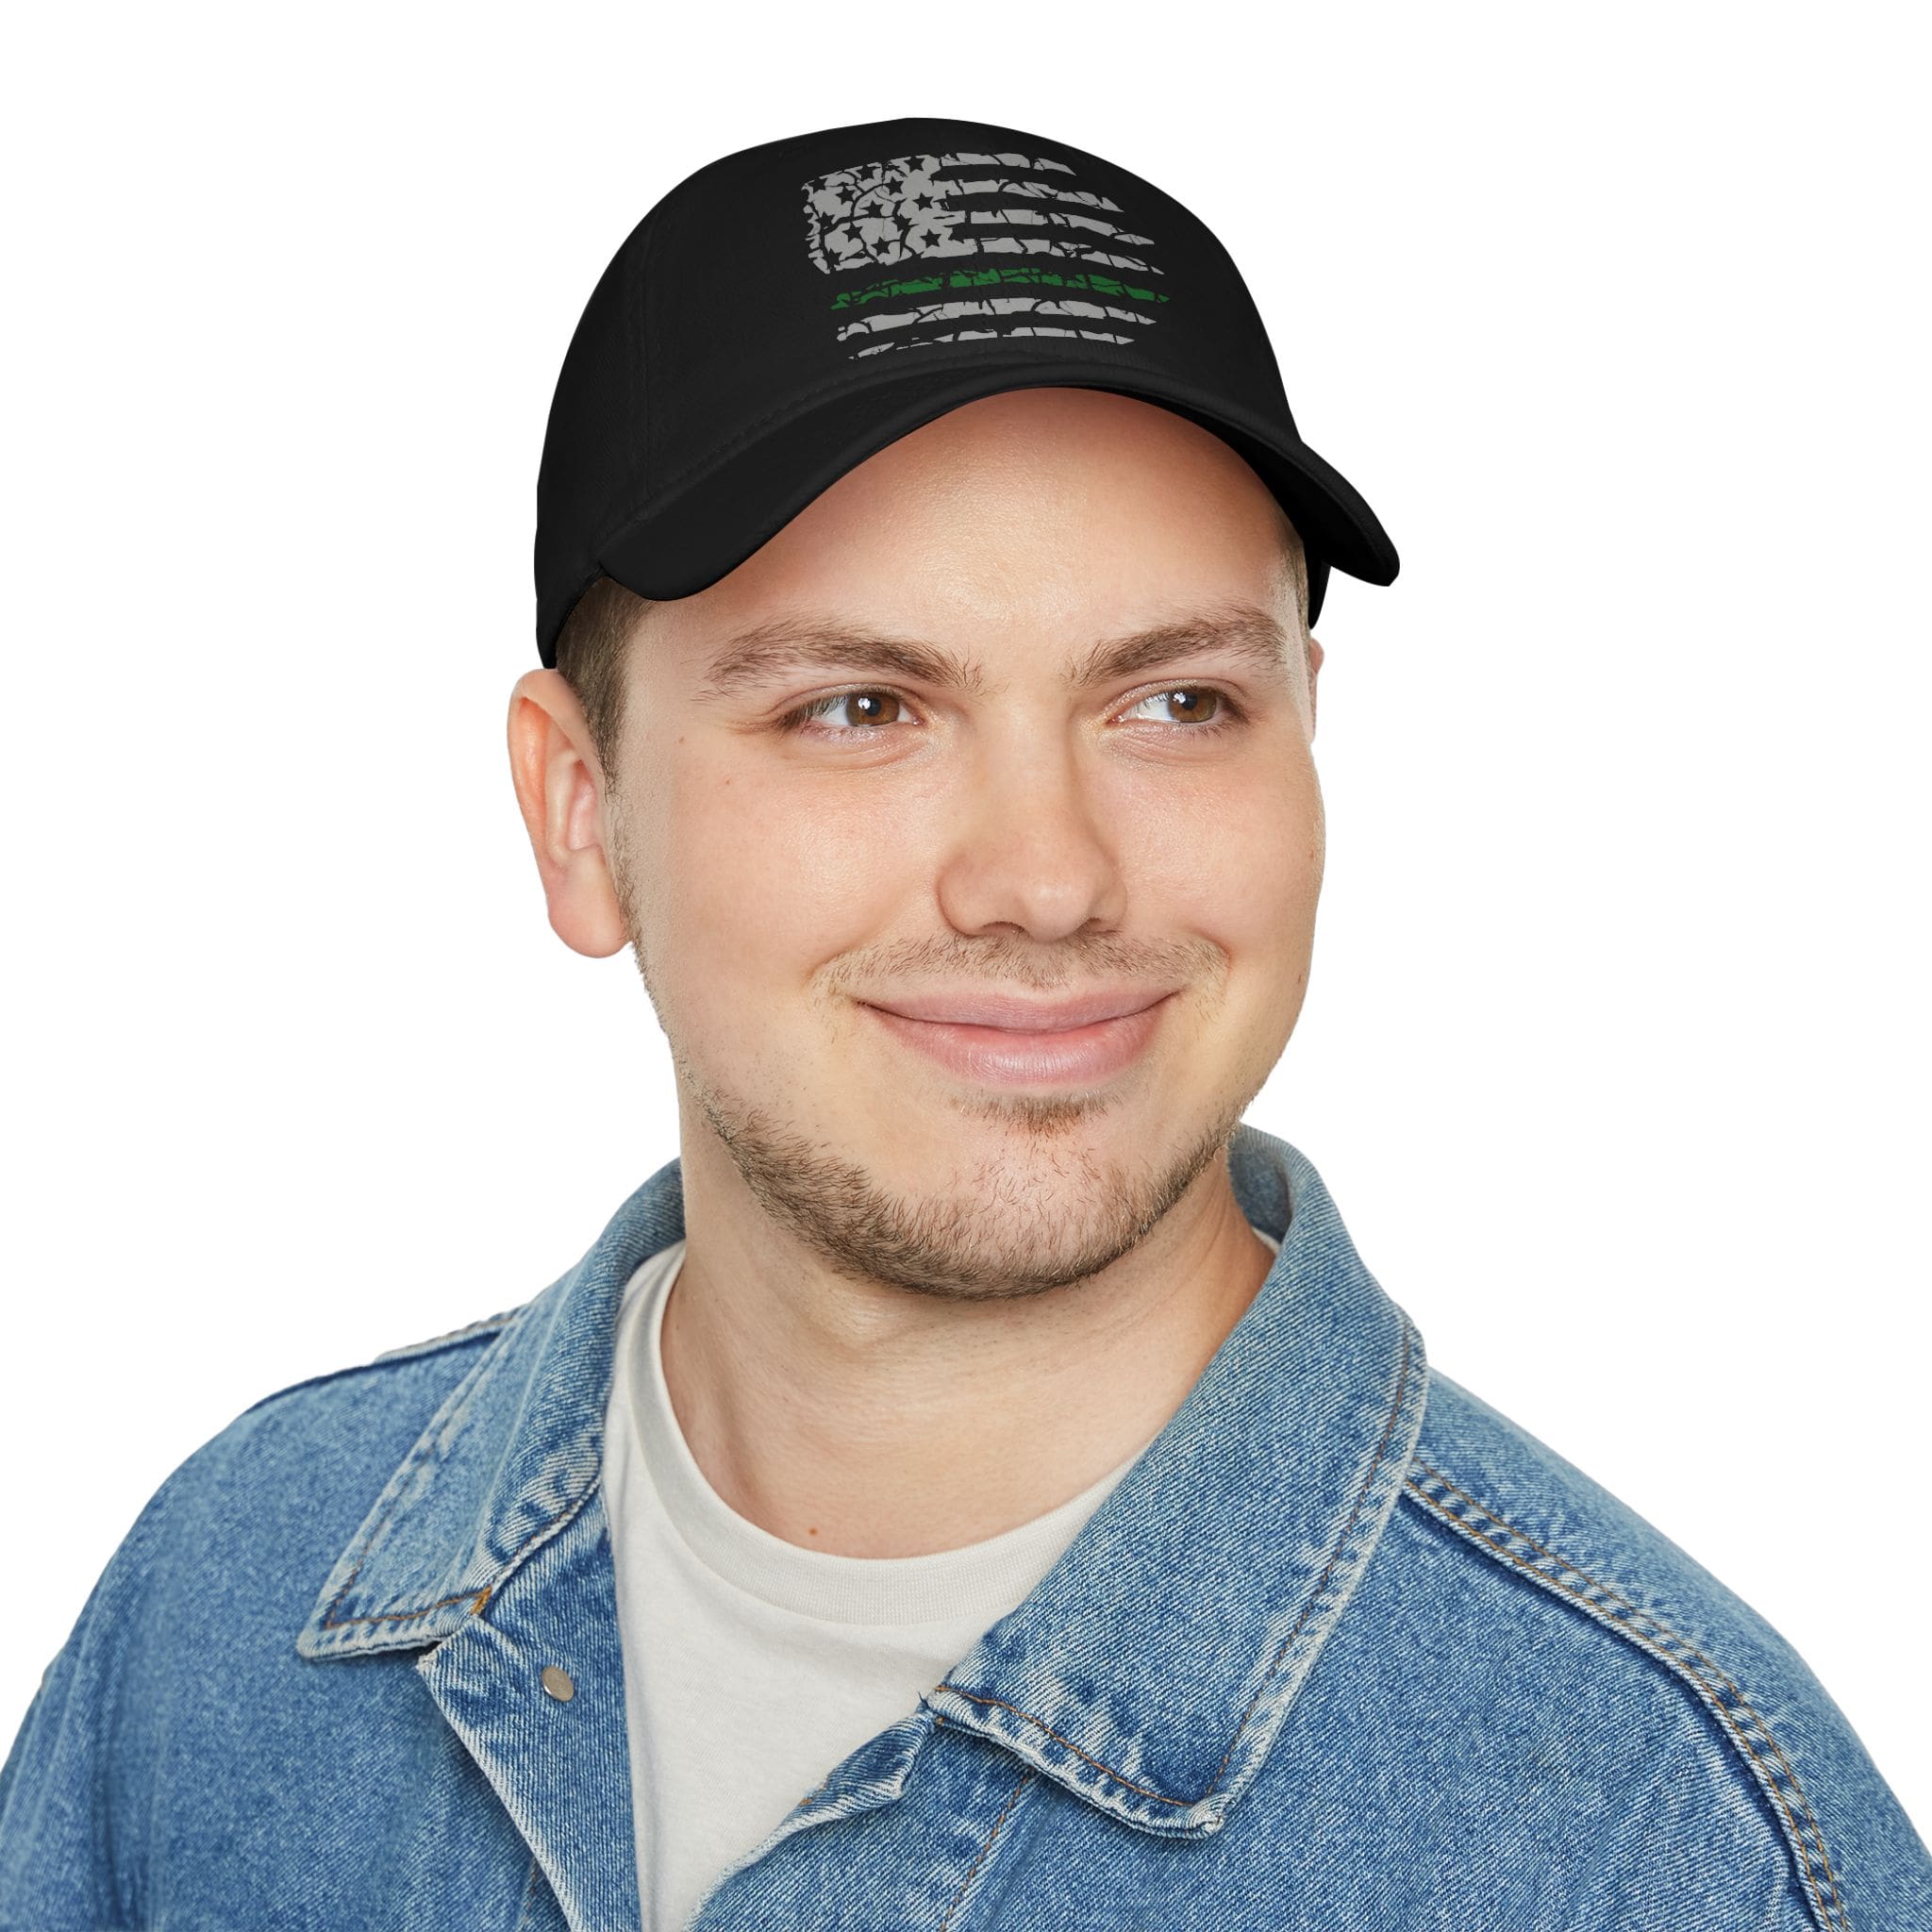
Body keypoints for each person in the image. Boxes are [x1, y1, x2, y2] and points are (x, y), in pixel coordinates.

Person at [1, 112, 1924, 1932]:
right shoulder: (225, 1617)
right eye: (859, 706)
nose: (1046, 875)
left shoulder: (1657, 1838)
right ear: (577, 811)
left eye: (1174, 702)